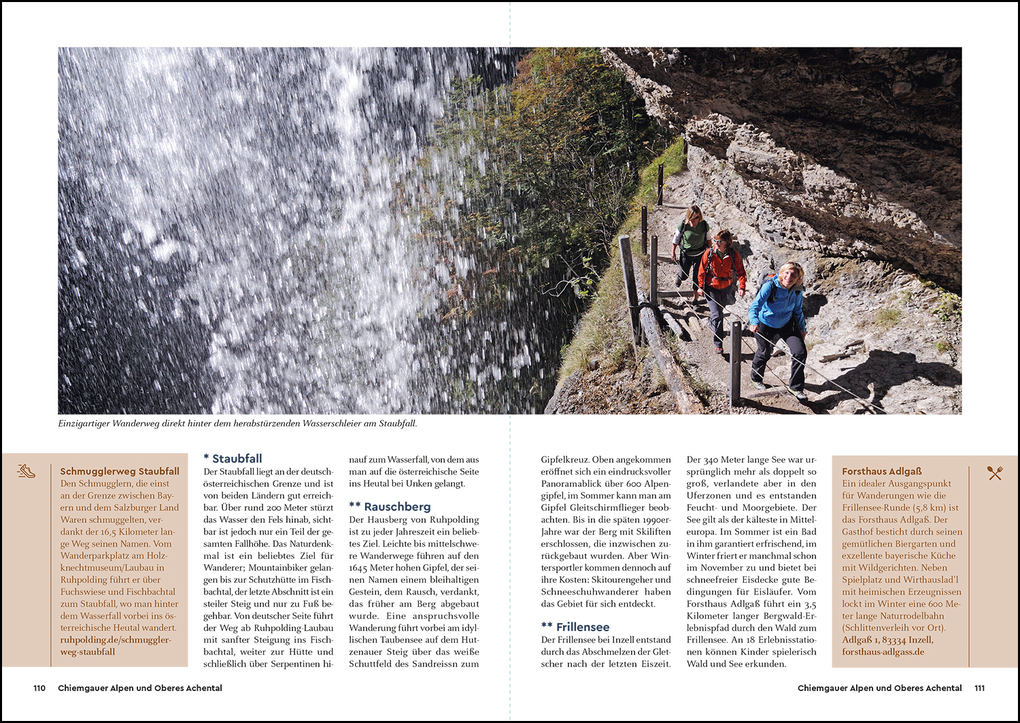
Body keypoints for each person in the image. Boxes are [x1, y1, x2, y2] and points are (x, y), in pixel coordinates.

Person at [747, 262, 808, 401]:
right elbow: (755, 306)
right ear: (782, 273)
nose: (789, 276)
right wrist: (754, 322)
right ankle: (756, 378)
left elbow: (798, 310)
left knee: (800, 352)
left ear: (798, 277)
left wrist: (802, 329)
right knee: (764, 352)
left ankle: (795, 388)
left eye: (793, 274)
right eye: (787, 272)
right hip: (766, 323)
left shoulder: (797, 290)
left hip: (787, 323)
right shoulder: (770, 286)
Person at [695, 230, 746, 354]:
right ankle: (718, 343)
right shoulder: (710, 253)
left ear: (727, 242)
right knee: (718, 314)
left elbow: (741, 271)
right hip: (711, 287)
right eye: (715, 240)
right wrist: (700, 287)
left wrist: (742, 287)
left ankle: (712, 321)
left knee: (719, 311)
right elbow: (701, 270)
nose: (716, 243)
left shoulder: (733, 255)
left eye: (719, 241)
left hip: (726, 288)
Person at [671, 205, 709, 296]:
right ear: (688, 217)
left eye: (697, 217)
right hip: (686, 254)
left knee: (697, 278)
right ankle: (680, 277)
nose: (694, 220)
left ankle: (695, 300)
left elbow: (709, 240)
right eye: (692, 218)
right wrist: (673, 252)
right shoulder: (683, 225)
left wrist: (709, 254)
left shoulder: (704, 225)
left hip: (700, 254)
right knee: (684, 275)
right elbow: (676, 239)